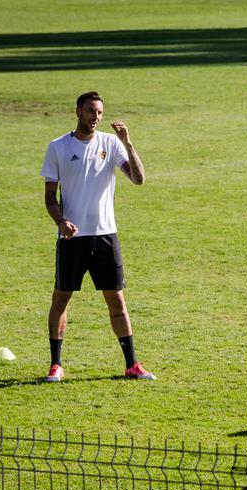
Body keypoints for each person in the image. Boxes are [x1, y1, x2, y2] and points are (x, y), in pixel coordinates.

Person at [40, 91, 155, 382]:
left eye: (100, 113)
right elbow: (50, 198)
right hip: (72, 239)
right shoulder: (58, 147)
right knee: (61, 300)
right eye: (91, 111)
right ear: (78, 111)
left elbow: (138, 179)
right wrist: (61, 221)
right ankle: (56, 364)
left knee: (116, 300)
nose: (96, 117)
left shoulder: (111, 143)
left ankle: (132, 364)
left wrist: (128, 143)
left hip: (105, 235)